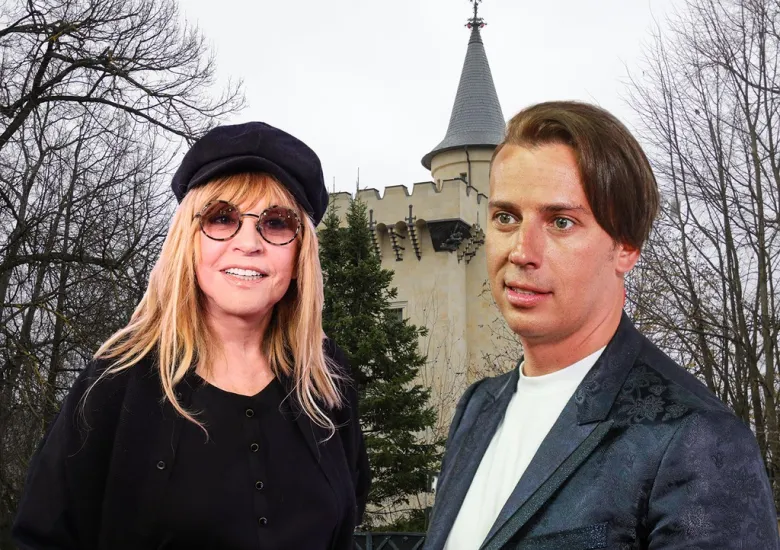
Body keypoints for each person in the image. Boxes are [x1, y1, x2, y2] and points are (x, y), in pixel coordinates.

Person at [424, 101, 779, 550]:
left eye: (561, 222)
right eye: (506, 217)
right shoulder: (477, 407)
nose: (521, 251)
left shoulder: (696, 438)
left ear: (626, 247)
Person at [13, 122, 371, 550]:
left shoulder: (327, 381)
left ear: (299, 255)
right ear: (189, 241)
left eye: (276, 223)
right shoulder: (117, 382)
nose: (248, 243)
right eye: (221, 218)